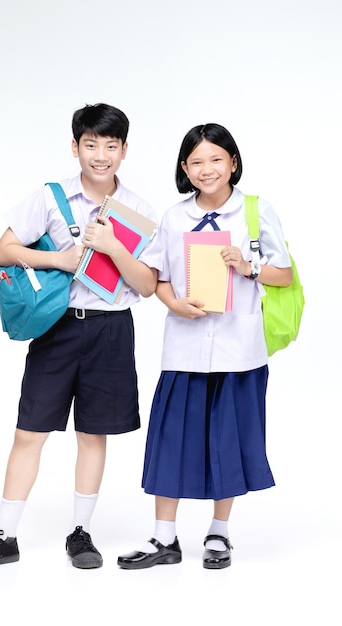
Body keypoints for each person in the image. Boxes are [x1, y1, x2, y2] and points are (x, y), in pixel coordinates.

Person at [0, 103, 162, 571]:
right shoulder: (50, 198)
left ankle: (80, 534)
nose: (101, 155)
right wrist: (61, 260)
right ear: (75, 147)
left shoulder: (140, 213)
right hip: (58, 327)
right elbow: (1, 250)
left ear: (125, 151)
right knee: (30, 431)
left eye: (111, 145)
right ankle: (4, 536)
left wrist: (112, 248)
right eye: (91, 144)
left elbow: (148, 285)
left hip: (111, 328)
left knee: (93, 433)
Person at [117, 122, 292, 570]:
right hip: (185, 350)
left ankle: (219, 532)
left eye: (216, 159)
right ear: (184, 168)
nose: (207, 169)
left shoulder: (256, 210)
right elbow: (159, 278)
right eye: (196, 161)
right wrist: (176, 304)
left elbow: (284, 274)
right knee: (170, 439)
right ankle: (163, 540)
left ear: (233, 162)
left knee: (228, 441)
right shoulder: (174, 218)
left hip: (239, 350)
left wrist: (247, 266)